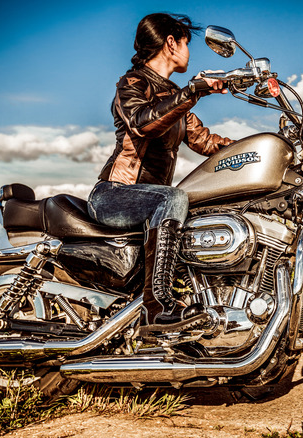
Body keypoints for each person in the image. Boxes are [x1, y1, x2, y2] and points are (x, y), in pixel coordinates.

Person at [88, 13, 232, 328]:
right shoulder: (133, 82)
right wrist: (194, 90)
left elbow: (206, 141)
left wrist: (258, 147)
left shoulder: (175, 96)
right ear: (170, 43)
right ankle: (158, 307)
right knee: (173, 199)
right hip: (115, 194)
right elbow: (143, 123)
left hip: (148, 199)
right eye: (186, 43)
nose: (189, 52)